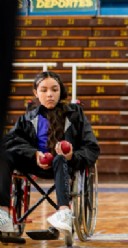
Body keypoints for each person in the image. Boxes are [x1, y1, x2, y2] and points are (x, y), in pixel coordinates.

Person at [0, 71, 100, 239]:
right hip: (35, 163)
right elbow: (9, 141)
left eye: (54, 89)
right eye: (44, 90)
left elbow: (92, 148)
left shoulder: (76, 115)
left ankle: (64, 211)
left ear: (60, 91)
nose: (50, 94)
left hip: (65, 164)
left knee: (60, 158)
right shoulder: (28, 118)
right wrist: (34, 154)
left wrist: (72, 156)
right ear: (35, 93)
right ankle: (2, 213)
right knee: (3, 156)